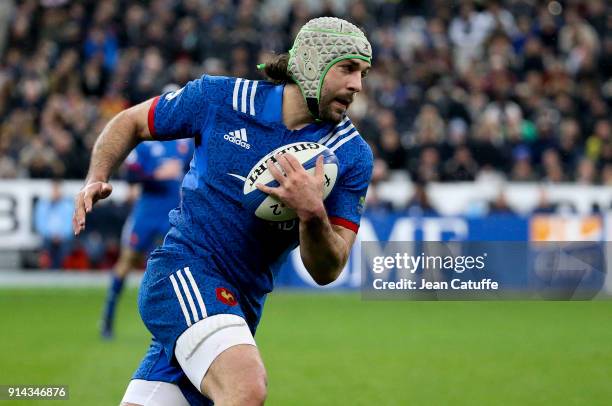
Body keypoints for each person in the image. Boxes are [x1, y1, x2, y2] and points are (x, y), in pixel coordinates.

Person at [73, 17, 373, 406]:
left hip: (240, 307)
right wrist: (96, 176)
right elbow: (131, 121)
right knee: (245, 387)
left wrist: (312, 213)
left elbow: (327, 270)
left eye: (363, 73)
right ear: (312, 65)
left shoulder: (351, 154)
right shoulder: (219, 98)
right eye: (348, 69)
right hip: (183, 272)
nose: (358, 86)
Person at [100, 138, 193, 339]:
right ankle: (108, 316)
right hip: (147, 214)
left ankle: (179, 325)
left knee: (177, 266)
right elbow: (130, 175)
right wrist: (156, 175)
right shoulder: (145, 145)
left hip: (174, 213)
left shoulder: (188, 143)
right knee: (127, 262)